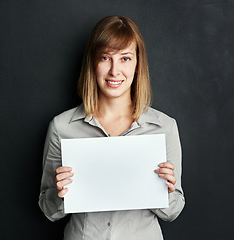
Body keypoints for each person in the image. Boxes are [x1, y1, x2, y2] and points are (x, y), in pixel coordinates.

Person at [39, 16, 185, 240]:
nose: (115, 71)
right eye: (105, 58)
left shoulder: (164, 127)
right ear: (93, 63)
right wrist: (60, 195)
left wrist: (165, 192)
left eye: (125, 58)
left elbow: (173, 212)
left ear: (137, 65)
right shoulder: (61, 127)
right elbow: (48, 210)